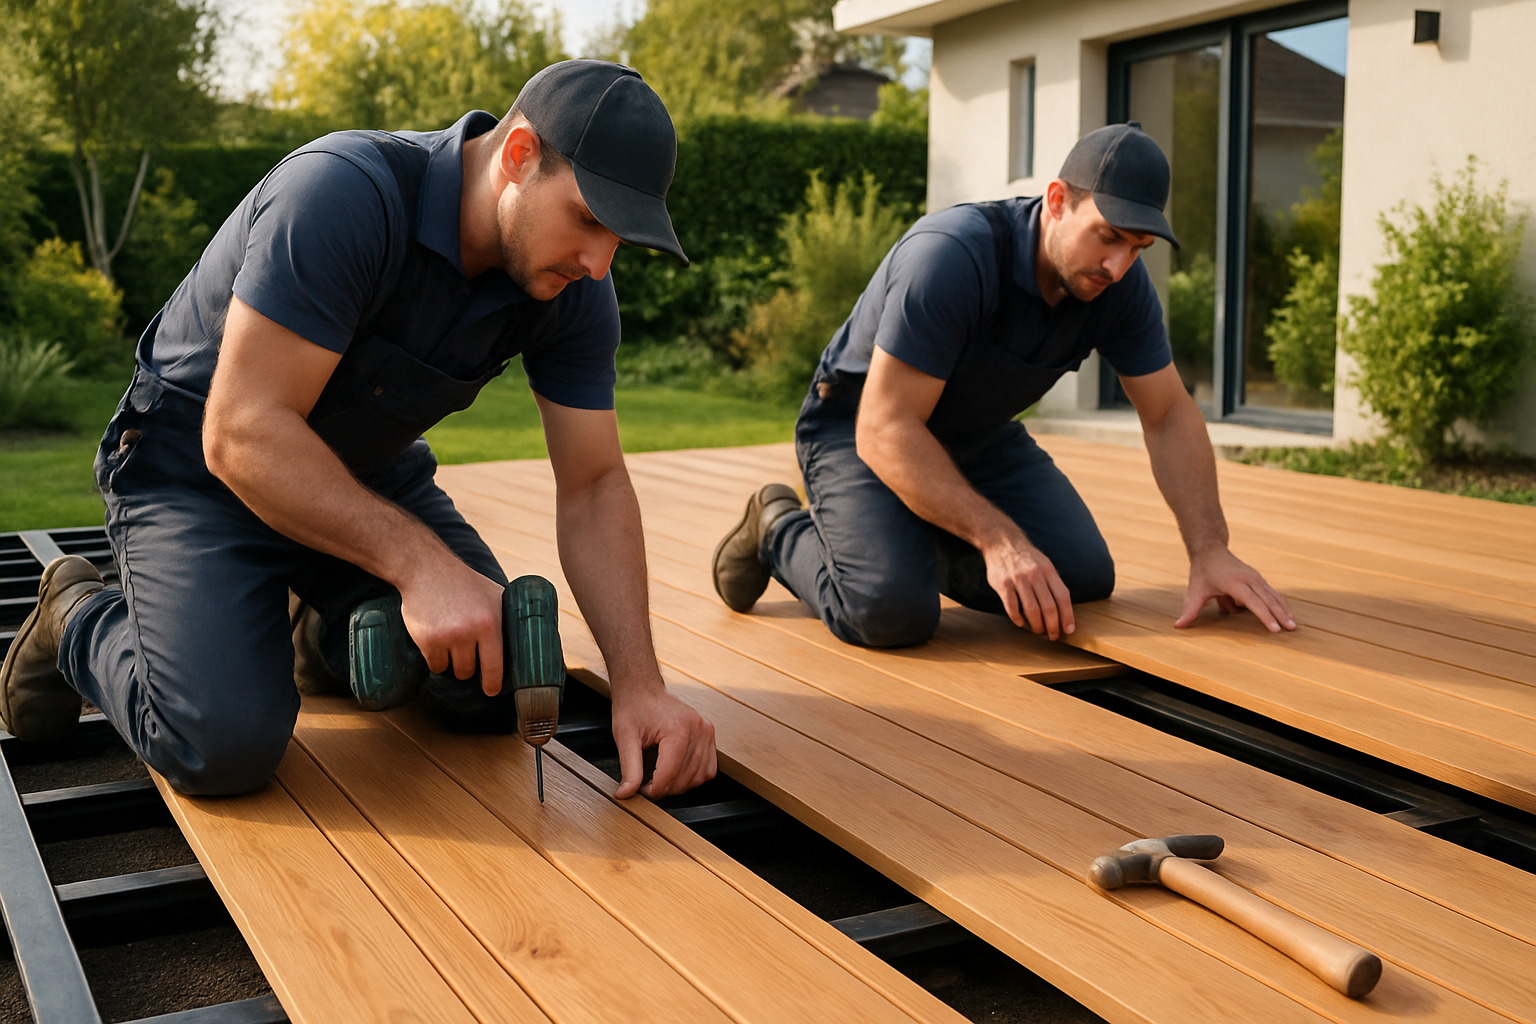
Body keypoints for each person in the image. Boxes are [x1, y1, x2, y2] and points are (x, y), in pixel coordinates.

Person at [0, 60, 717, 798]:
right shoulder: (343, 193)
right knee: (221, 746)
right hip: (195, 473)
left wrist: (640, 685)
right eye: (590, 220)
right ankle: (77, 613)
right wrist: (422, 569)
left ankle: (331, 631)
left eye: (620, 241)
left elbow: (594, 482)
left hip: (362, 474)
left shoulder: (569, 287)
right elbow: (241, 434)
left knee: (499, 686)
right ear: (519, 155)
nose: (600, 263)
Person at [712, 122, 1296, 648]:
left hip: (976, 435)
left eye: (1137, 249)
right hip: (861, 429)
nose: (1118, 266)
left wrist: (1209, 549)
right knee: (890, 613)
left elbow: (1168, 414)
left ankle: (909, 529)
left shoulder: (1119, 288)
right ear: (1058, 200)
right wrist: (999, 541)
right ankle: (779, 526)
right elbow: (885, 427)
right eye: (1109, 236)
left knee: (1083, 578)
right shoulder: (951, 257)